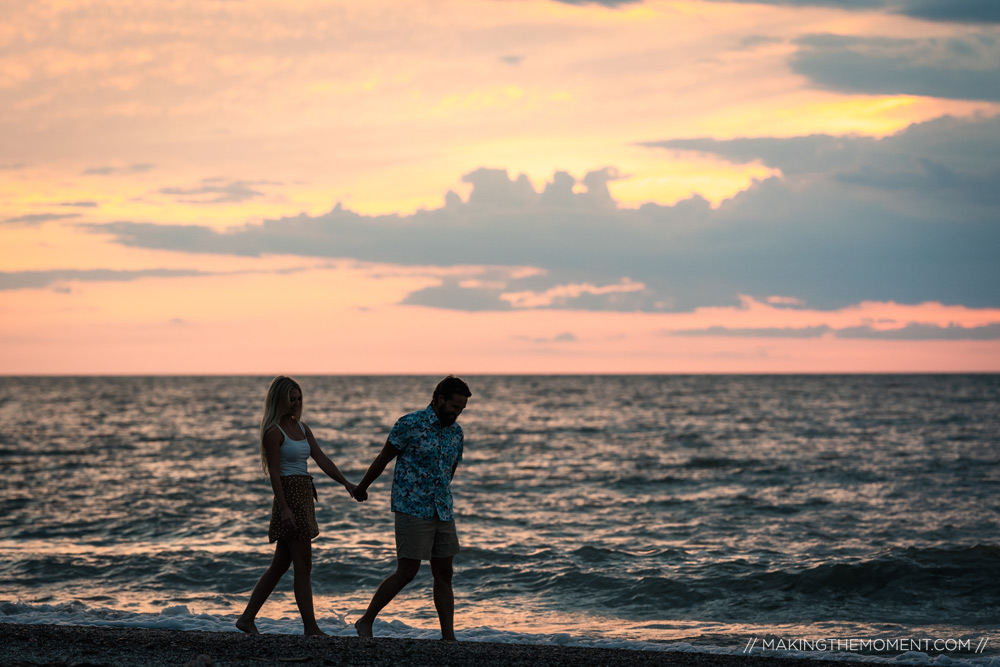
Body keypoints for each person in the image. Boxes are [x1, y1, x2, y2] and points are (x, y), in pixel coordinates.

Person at [352, 375, 472, 641]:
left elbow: (449, 470)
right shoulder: (410, 424)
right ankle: (366, 620)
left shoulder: (456, 432)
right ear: (439, 399)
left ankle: (448, 637)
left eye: (462, 409)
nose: (457, 413)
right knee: (407, 572)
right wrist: (362, 488)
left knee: (445, 573)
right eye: (454, 407)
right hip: (411, 507)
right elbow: (383, 458)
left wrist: (439, 492)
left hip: (443, 509)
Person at [236, 376, 357, 636]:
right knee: (303, 566)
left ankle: (247, 618)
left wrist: (346, 483)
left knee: (280, 565)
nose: (296, 404)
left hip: (304, 495)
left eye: (298, 398)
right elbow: (275, 474)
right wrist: (284, 508)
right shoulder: (273, 432)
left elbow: (321, 458)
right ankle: (310, 627)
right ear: (279, 400)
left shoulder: (302, 428)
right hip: (289, 498)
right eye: (291, 399)